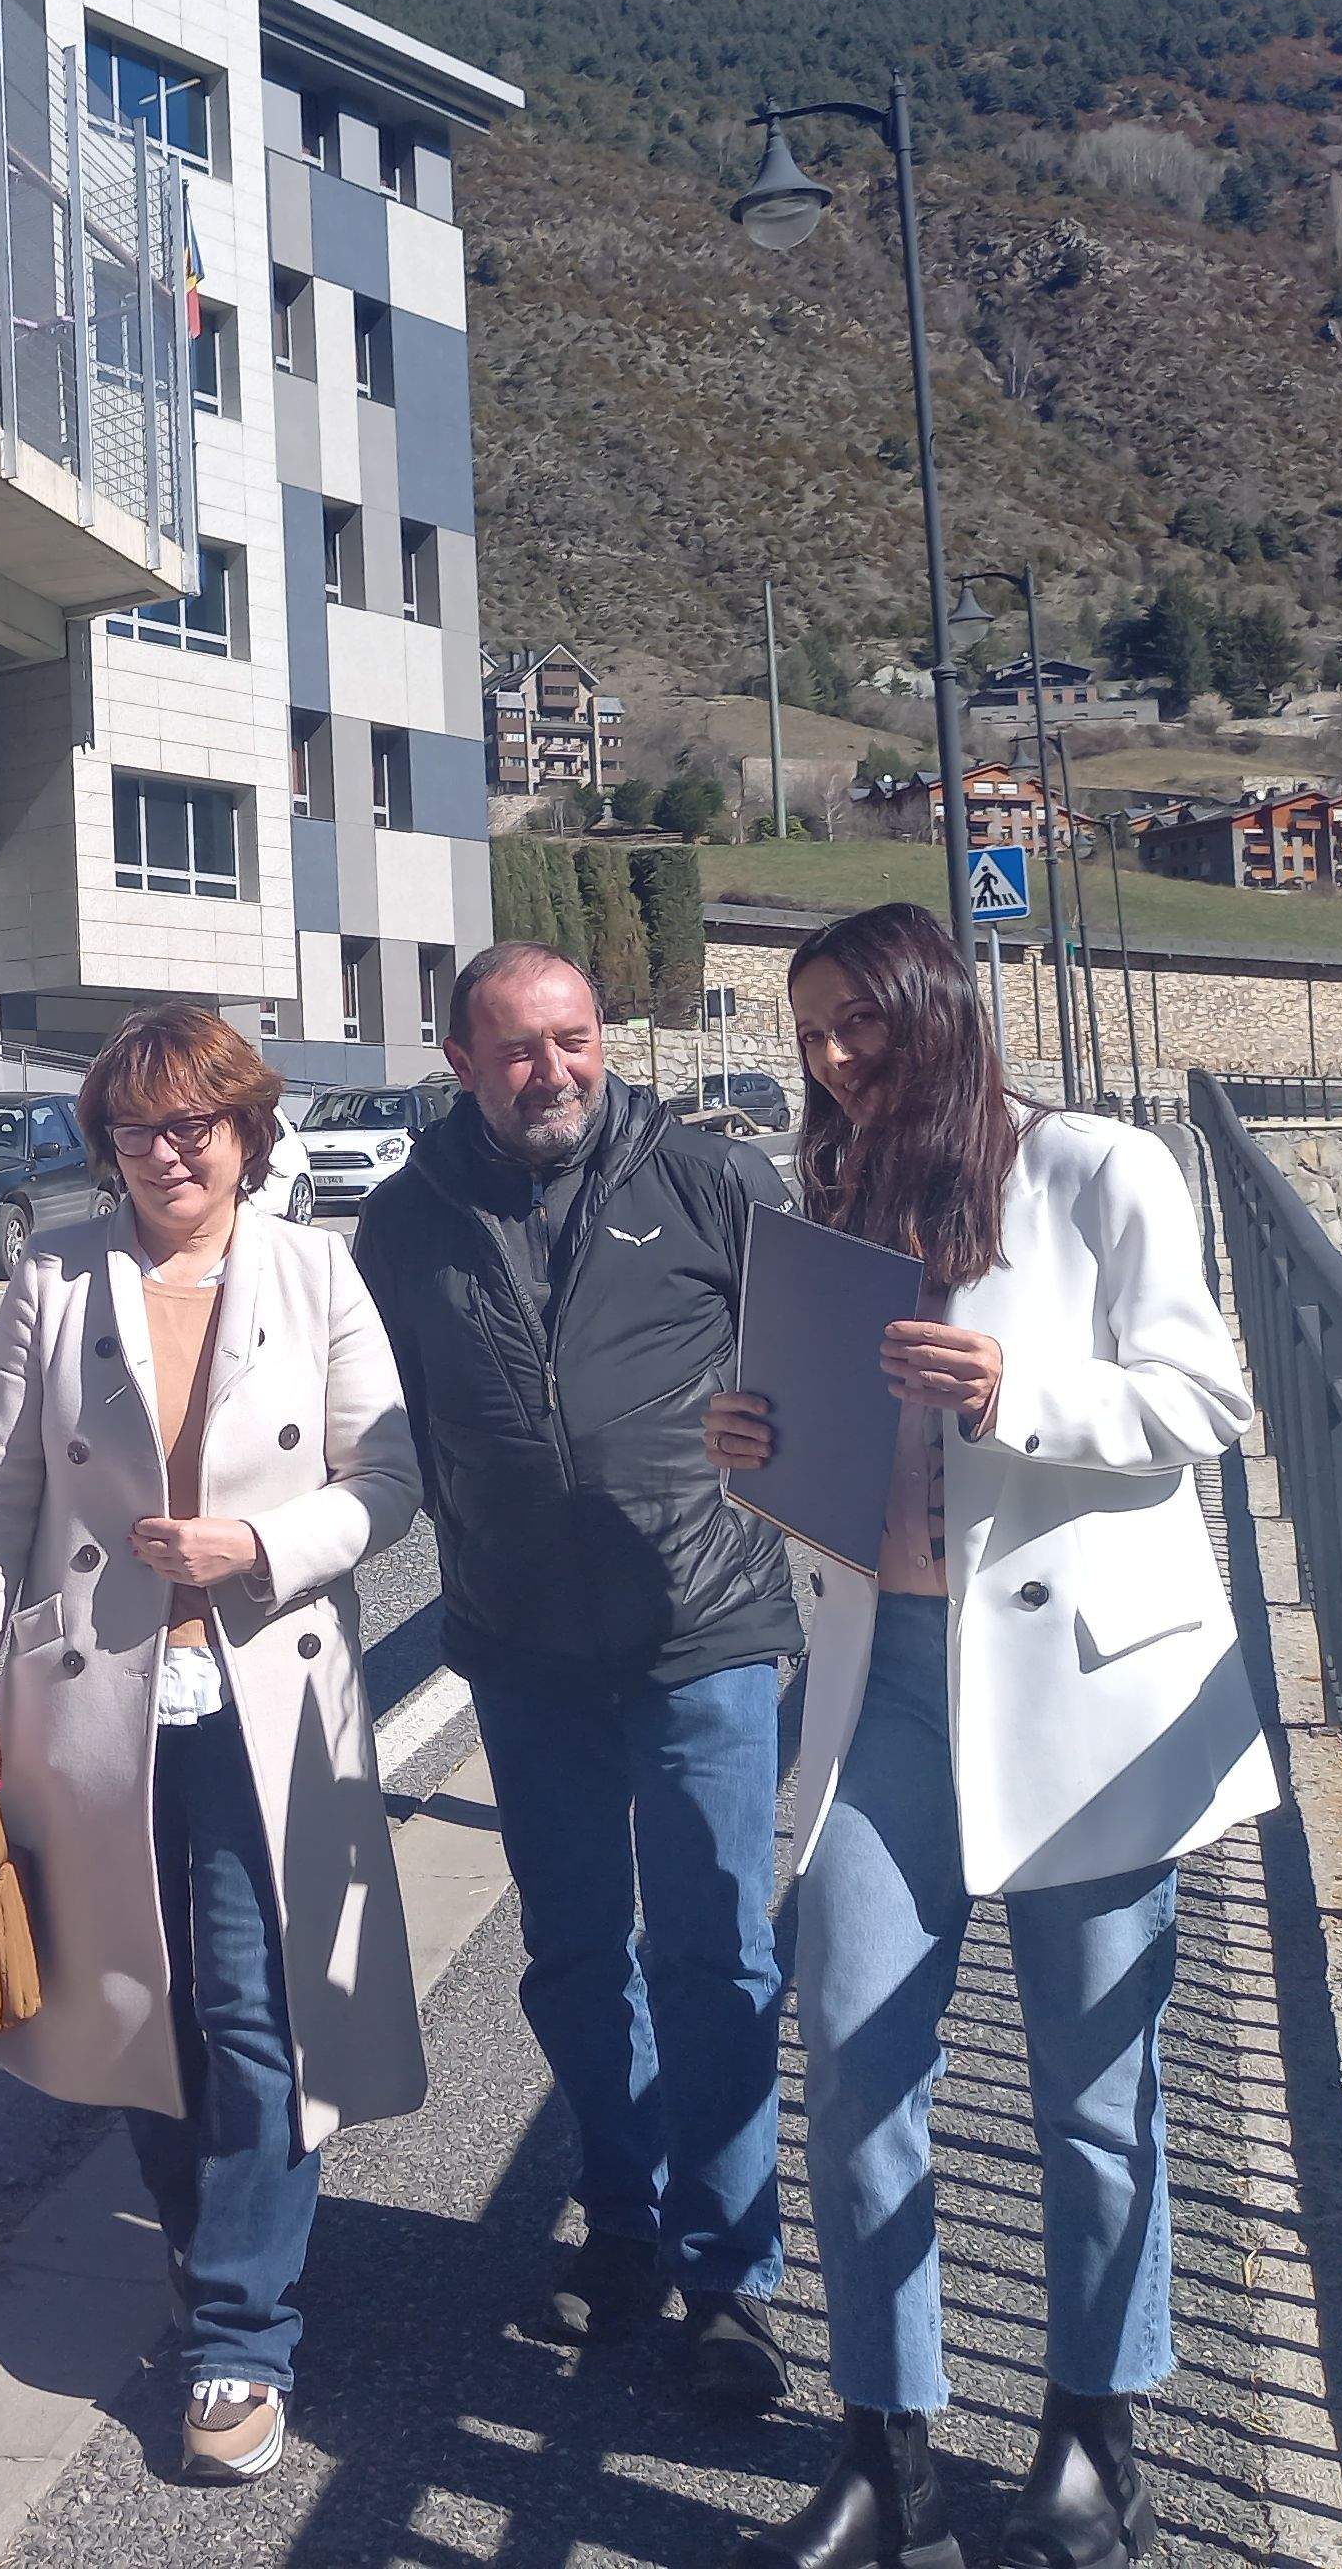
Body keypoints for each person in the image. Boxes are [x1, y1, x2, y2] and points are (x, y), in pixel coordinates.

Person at [708, 902, 1270, 2569]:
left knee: (1098, 2097)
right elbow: (832, 1468)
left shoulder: (1102, 1171)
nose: (833, 1062)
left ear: (937, 1009)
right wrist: (752, 1445)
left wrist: (1012, 1386)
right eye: (810, 1034)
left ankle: (1095, 2441)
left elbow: (1205, 1402)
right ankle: (889, 2452)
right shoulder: (829, 1204)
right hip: (882, 1681)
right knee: (855, 2075)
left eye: (858, 1026)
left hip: (1084, 1700)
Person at [0, 1003, 425, 2485]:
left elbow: (387, 1476)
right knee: (141, 2015)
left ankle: (236, 2338)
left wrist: (258, 1546)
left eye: (194, 1122)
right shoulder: (54, 1279)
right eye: (137, 1127)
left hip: (266, 1703)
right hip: (91, 1710)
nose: (166, 1150)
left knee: (254, 2016)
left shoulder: (316, 1271)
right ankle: (213, 2252)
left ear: (245, 1130)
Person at [350, 939, 800, 2410]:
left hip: (706, 1631)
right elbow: (380, 1427)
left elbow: (817, 1381)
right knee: (577, 1957)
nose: (554, 1071)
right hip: (525, 1647)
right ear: (460, 1063)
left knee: (717, 1952)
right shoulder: (403, 1223)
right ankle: (624, 2229)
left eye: (575, 1037)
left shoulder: (710, 1180)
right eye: (519, 1048)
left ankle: (729, 2272)